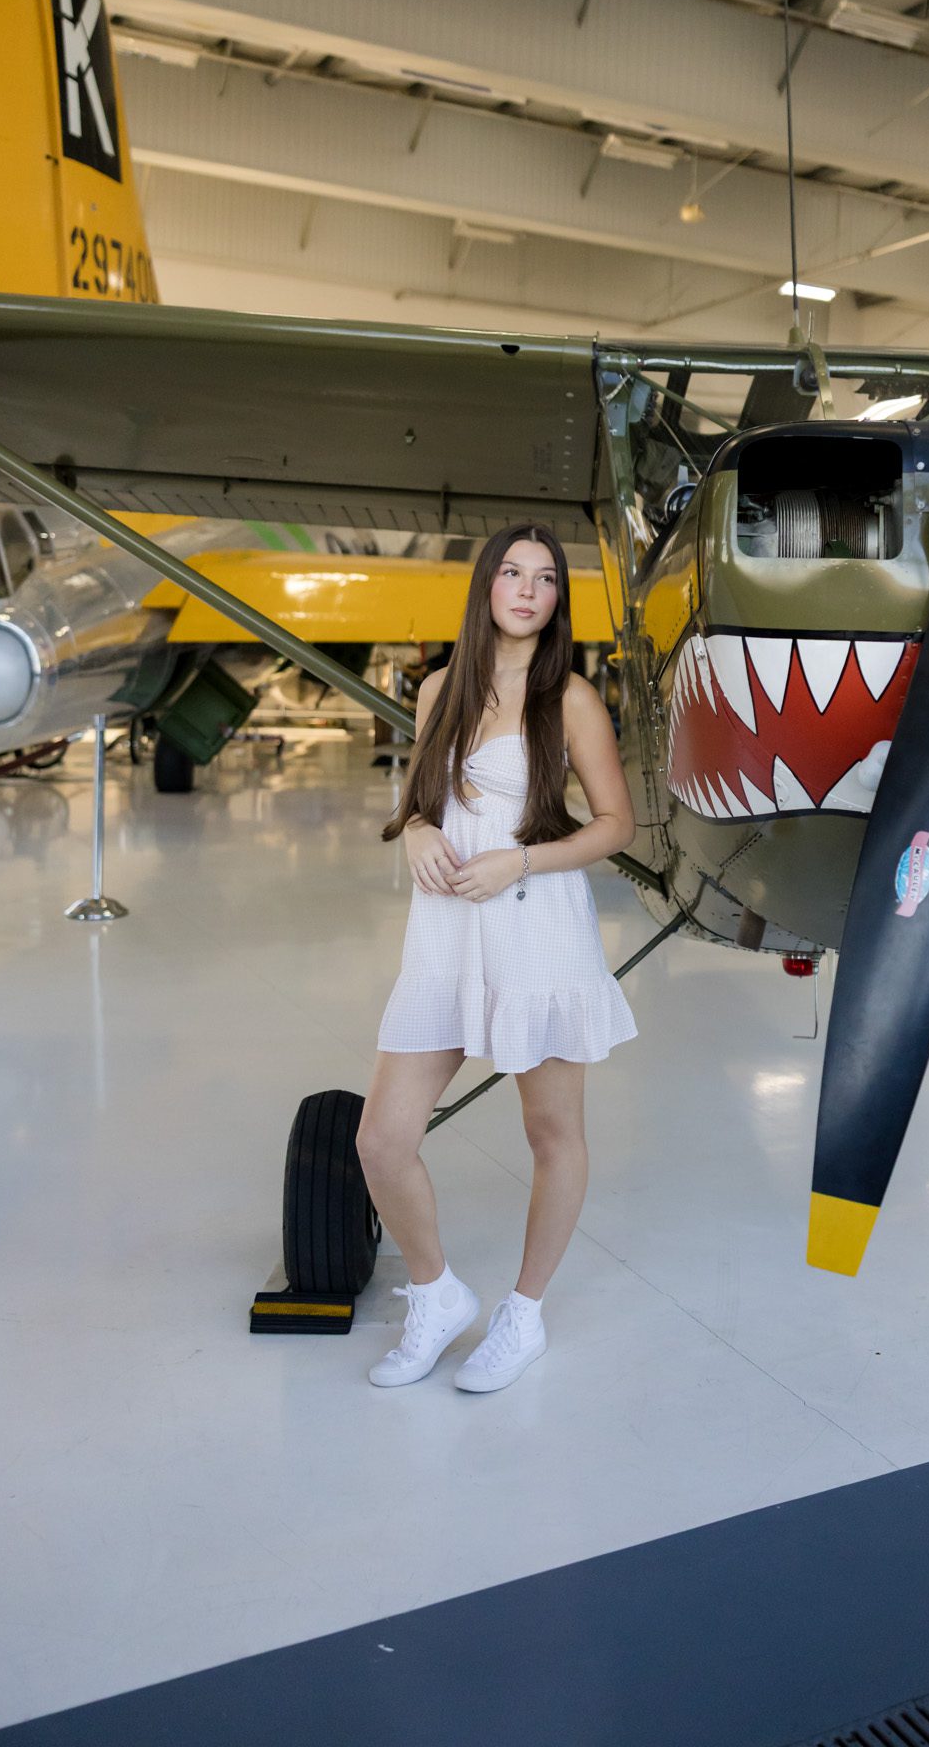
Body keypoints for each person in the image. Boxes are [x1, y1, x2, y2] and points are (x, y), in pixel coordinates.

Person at [357, 523, 637, 1393]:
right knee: (381, 1140)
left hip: (535, 925)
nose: (526, 590)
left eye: (545, 579)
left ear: (557, 601)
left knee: (551, 1134)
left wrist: (519, 860)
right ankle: (436, 1295)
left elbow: (615, 826)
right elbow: (422, 799)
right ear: (486, 586)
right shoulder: (440, 687)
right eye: (512, 573)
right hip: (445, 933)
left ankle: (524, 1313)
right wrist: (415, 830)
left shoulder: (570, 699)